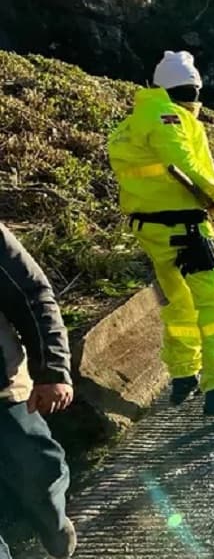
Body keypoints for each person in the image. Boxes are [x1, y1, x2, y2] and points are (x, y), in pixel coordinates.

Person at [107, 51, 214, 417]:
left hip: (152, 227)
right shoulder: (168, 116)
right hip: (185, 228)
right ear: (190, 90)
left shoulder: (133, 121)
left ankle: (183, 375)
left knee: (179, 301)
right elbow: (182, 162)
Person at [0, 223, 77, 559]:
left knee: (41, 471)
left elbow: (30, 293)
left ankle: (54, 524)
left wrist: (52, 371)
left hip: (3, 387)